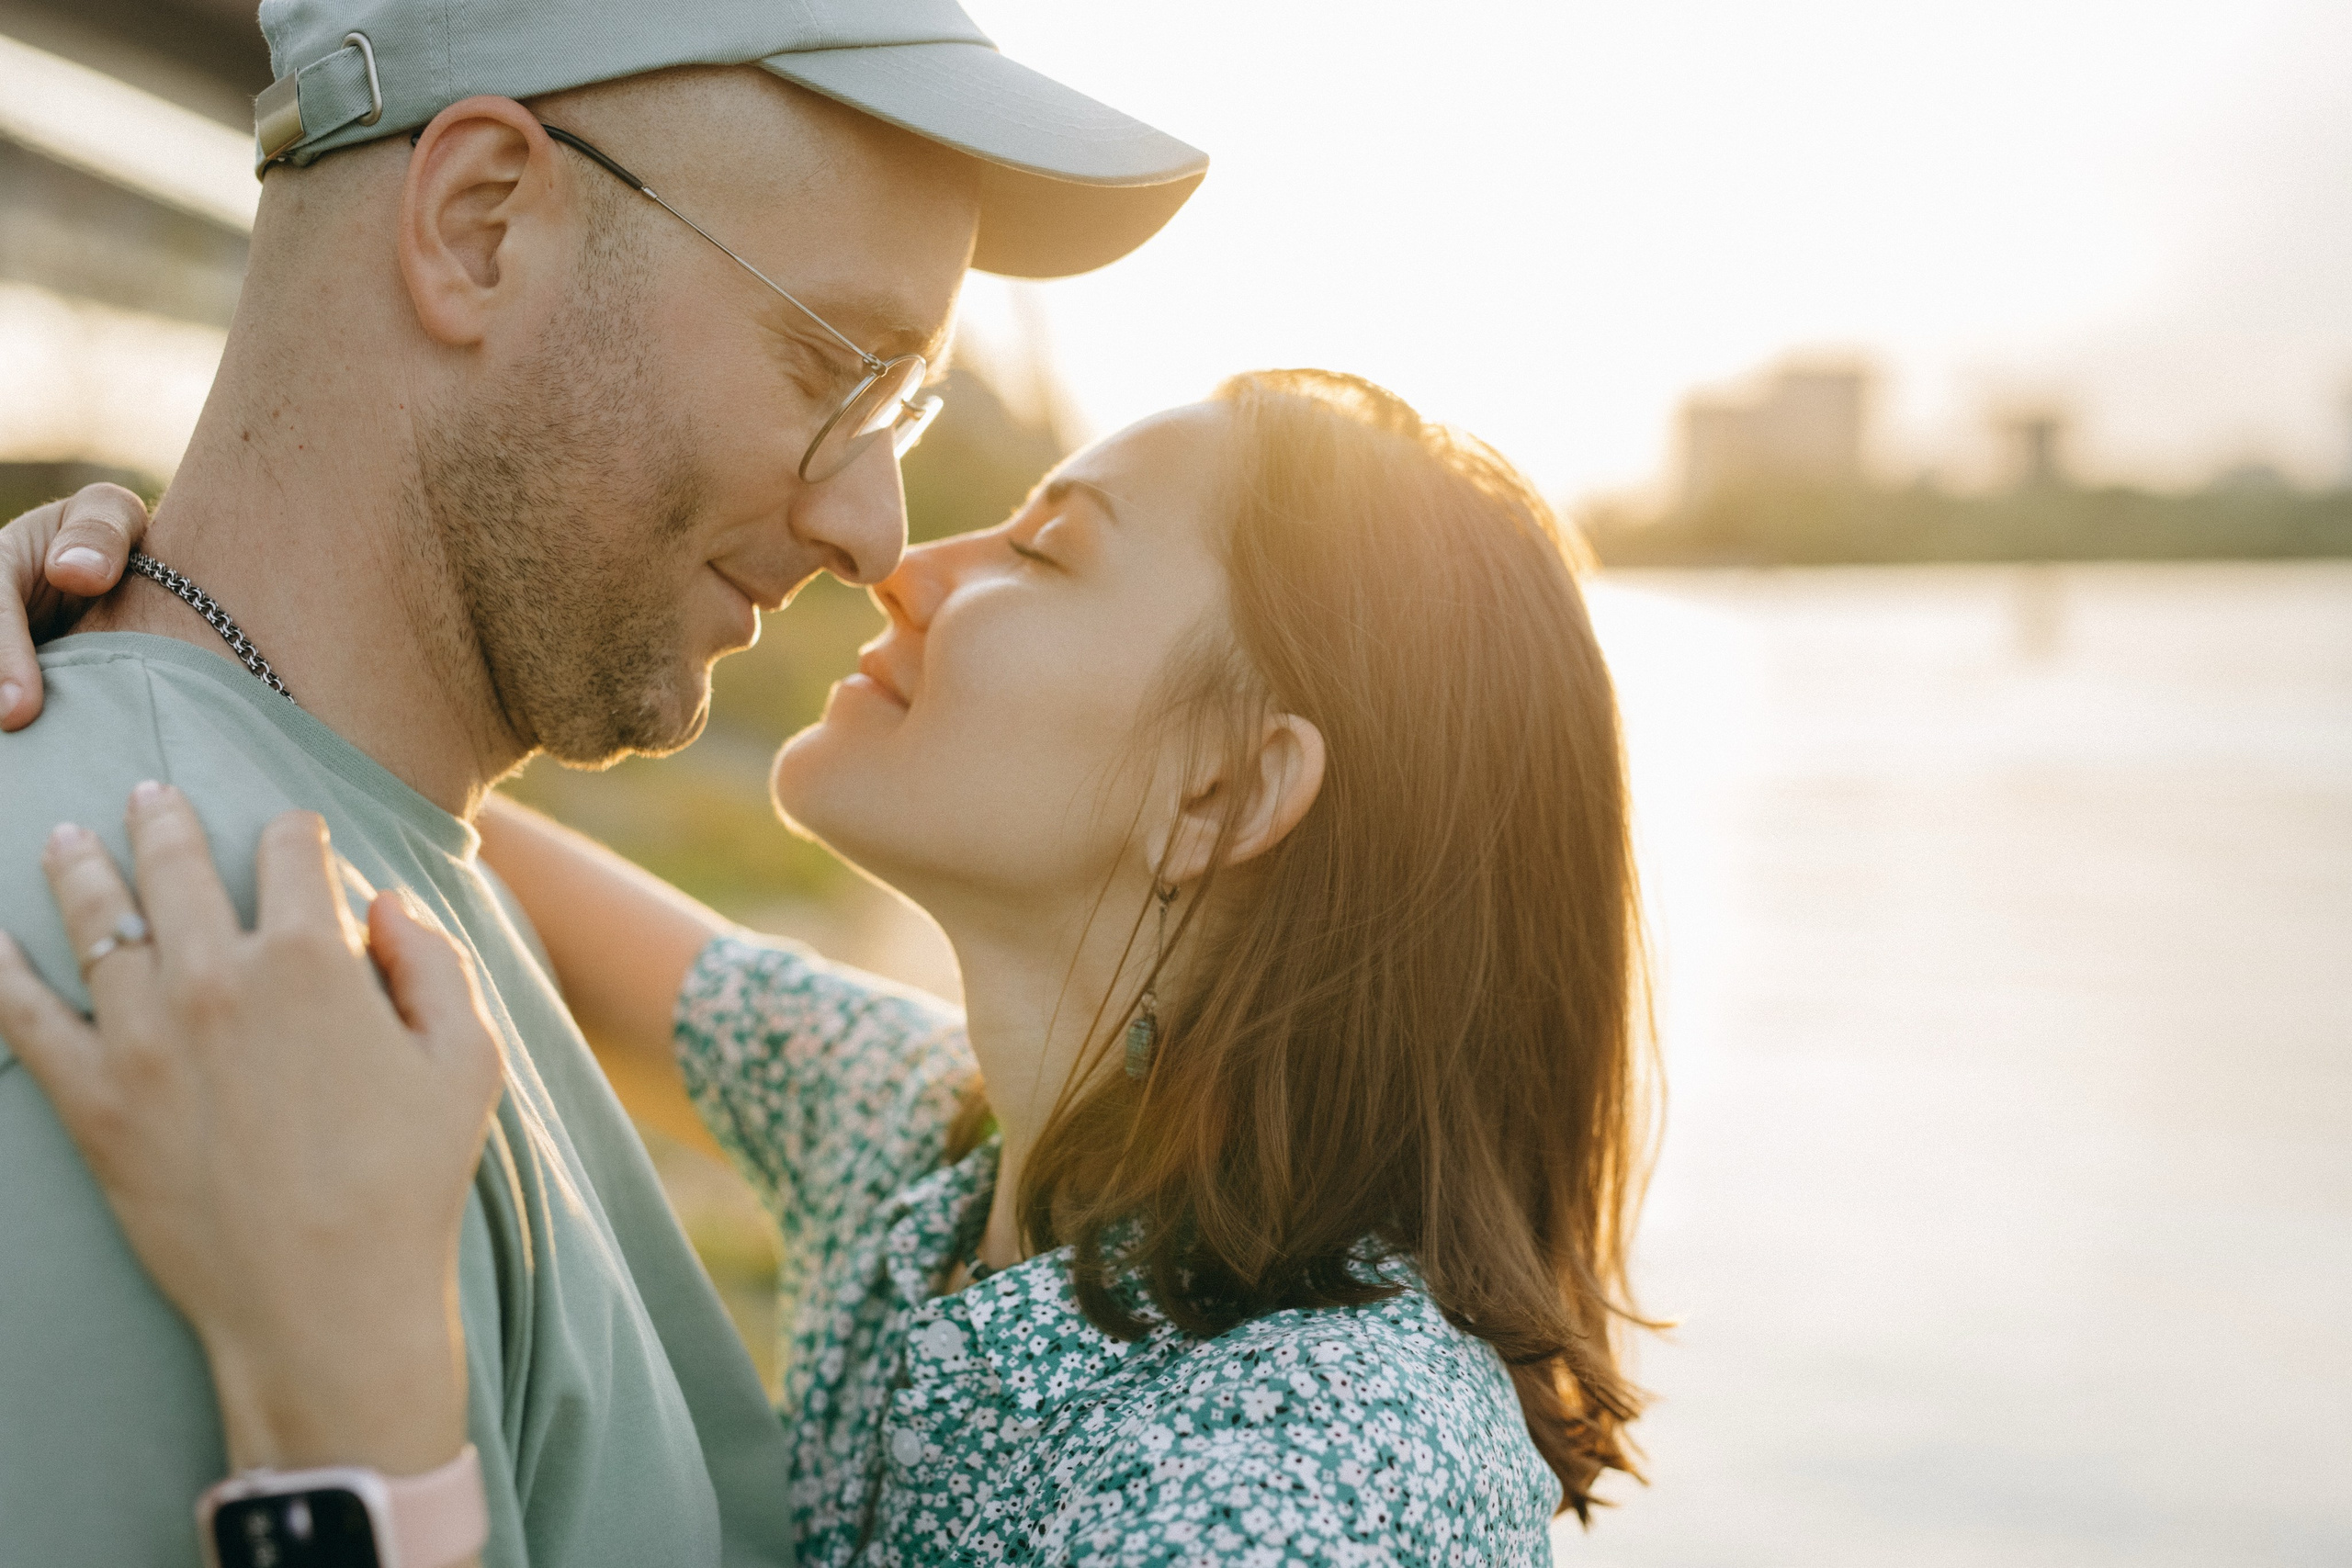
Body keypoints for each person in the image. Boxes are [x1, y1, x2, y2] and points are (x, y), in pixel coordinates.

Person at [0, 370, 1657, 1565]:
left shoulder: (1315, 1481)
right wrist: (143, 618)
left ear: (1223, 791)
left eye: (1049, 550)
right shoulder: (954, 1154)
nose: (906, 565)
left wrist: (352, 1411)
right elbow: (415, 817)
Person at [0, 0, 1205, 1562]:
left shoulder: (384, 861)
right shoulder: (152, 989)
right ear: (481, 227)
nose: (878, 534)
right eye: (834, 363)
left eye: (899, 410)